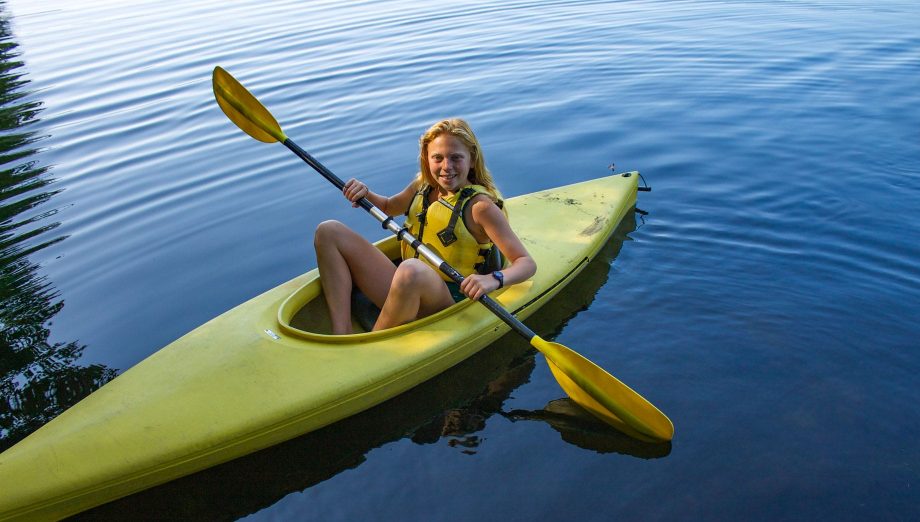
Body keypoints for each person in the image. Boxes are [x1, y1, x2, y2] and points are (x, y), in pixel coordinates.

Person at [314, 118, 536, 334]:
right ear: (426, 159)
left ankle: (368, 345)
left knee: (411, 269)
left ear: (472, 158)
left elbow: (525, 264)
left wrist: (492, 280)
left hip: (446, 302)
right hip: (405, 286)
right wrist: (365, 192)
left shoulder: (480, 208)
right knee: (329, 231)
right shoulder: (422, 186)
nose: (446, 167)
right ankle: (341, 333)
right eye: (437, 158)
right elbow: (388, 206)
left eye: (456, 157)